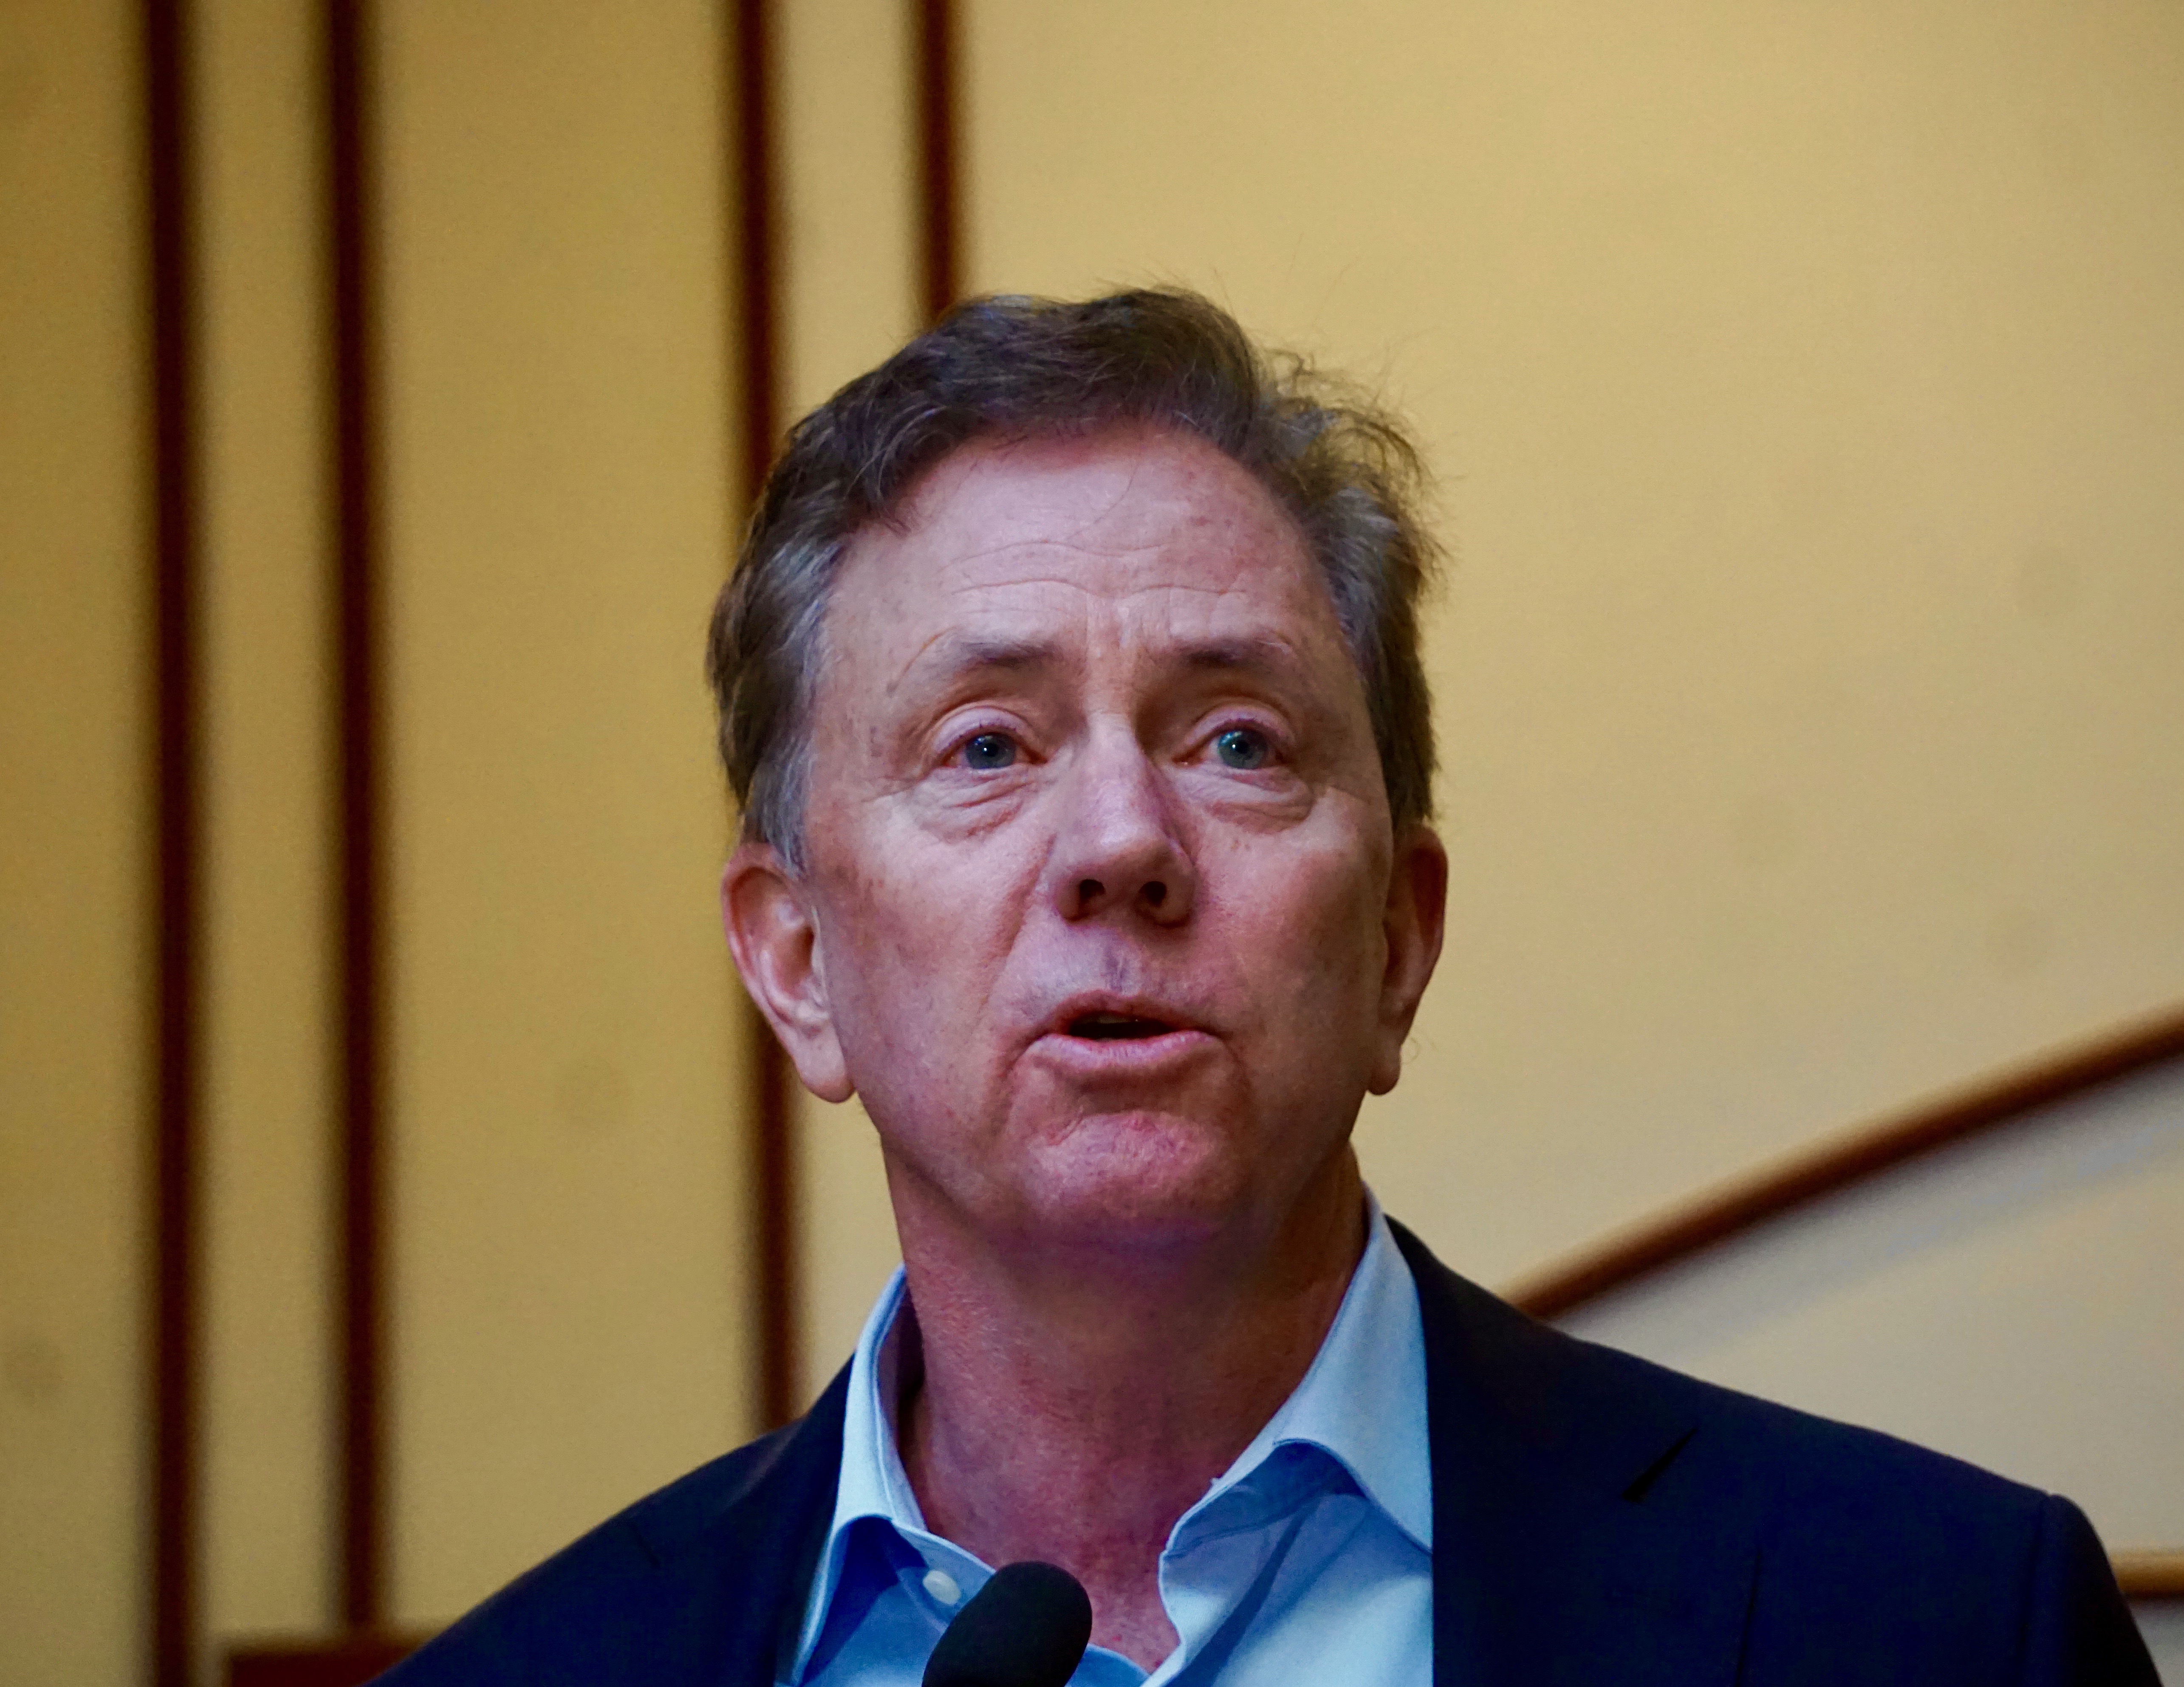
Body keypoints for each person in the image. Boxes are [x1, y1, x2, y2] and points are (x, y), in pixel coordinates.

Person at [382, 291, 2154, 1686]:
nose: (1120, 844)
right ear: (796, 965)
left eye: (1237, 740)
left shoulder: (1938, 1627)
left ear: (1396, 940)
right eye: (986, 745)